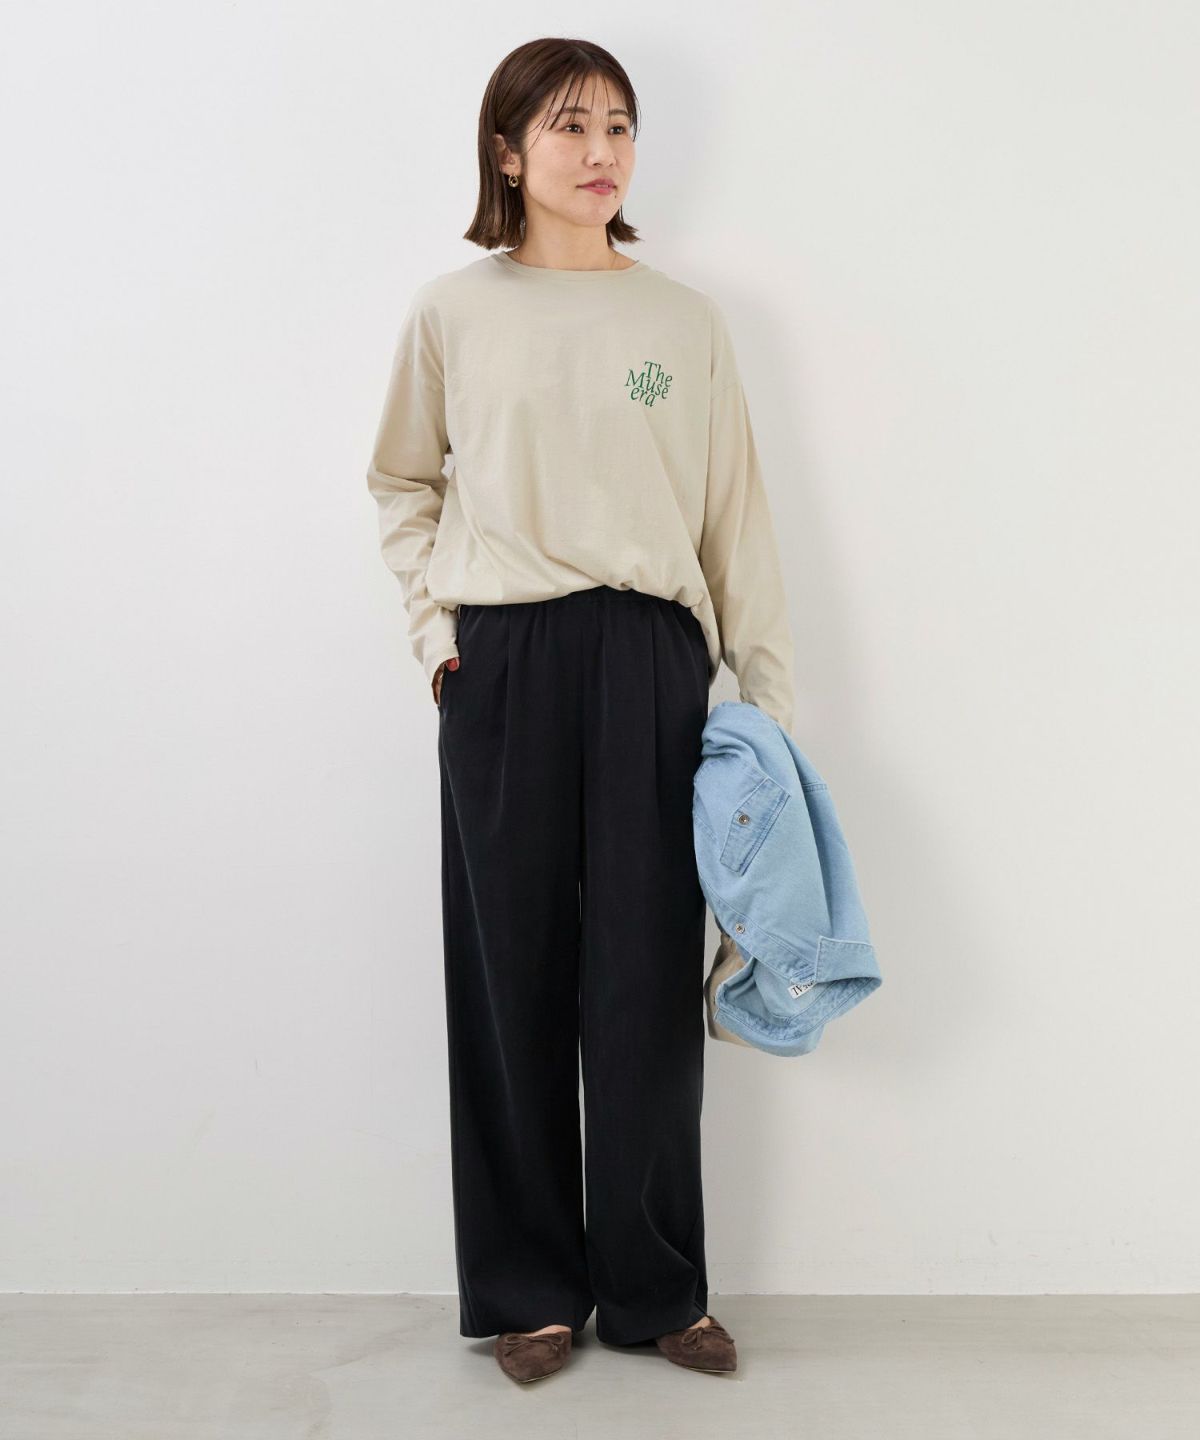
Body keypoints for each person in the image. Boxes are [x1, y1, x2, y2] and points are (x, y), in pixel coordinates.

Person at [366, 37, 795, 1383]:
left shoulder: (682, 324)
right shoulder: (454, 312)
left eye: (619, 124)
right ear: (508, 151)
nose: (601, 150)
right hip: (502, 662)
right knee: (512, 977)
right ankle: (528, 1289)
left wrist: (767, 704)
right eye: (568, 125)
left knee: (646, 977)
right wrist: (439, 640)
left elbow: (734, 518)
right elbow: (402, 483)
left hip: (653, 657)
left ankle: (658, 1288)